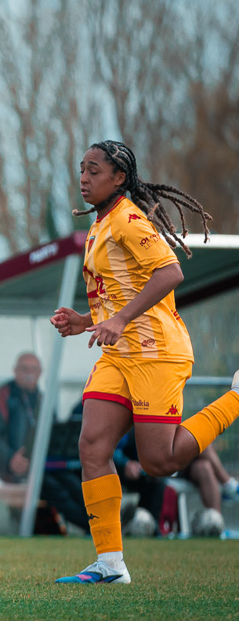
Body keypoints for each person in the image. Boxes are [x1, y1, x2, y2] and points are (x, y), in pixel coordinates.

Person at [51, 139, 239, 584]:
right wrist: (85, 321)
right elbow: (120, 289)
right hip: (119, 354)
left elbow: (170, 272)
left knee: (160, 462)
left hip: (156, 350)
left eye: (94, 170)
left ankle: (235, 399)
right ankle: (110, 565)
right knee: (92, 447)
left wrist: (117, 318)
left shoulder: (129, 219)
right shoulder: (99, 224)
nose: (84, 178)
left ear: (119, 178)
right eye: (82, 169)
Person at [0, 353, 90, 534]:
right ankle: (92, 527)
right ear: (14, 371)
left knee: (72, 482)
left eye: (33, 369)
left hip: (42, 465)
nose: (28, 373)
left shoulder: (42, 400)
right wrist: (10, 459)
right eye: (24, 369)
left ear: (40, 373)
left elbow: (54, 432)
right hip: (10, 468)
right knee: (54, 488)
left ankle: (102, 523)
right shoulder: (0, 398)